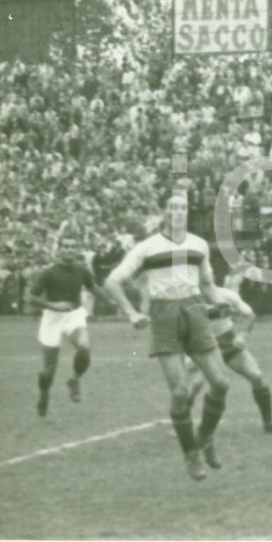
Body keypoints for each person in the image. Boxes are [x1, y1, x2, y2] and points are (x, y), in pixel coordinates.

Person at [103, 188, 231, 482]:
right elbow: (112, 282)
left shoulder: (199, 245)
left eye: (182, 208)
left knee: (221, 382)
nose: (177, 213)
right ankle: (191, 454)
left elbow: (207, 283)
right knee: (180, 392)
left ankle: (205, 436)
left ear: (188, 213)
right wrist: (131, 312)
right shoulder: (147, 247)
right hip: (164, 315)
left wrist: (218, 302)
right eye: (172, 208)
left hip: (195, 310)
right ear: (164, 213)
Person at [26, 232, 113, 417]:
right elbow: (31, 297)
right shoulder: (49, 272)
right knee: (48, 371)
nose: (69, 250)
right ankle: (44, 394)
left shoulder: (82, 270)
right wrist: (53, 305)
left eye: (73, 246)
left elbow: (94, 288)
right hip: (52, 318)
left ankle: (74, 380)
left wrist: (112, 302)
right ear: (60, 249)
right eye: (66, 246)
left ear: (77, 249)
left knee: (84, 347)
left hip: (74, 314)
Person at [184, 285, 272, 435]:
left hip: (227, 342)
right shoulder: (188, 299)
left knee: (256, 376)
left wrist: (243, 335)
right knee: (195, 384)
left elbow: (250, 315)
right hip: (203, 345)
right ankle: (183, 427)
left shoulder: (227, 295)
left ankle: (269, 422)